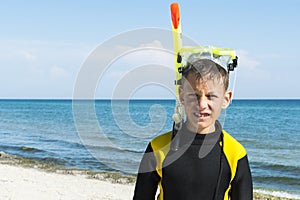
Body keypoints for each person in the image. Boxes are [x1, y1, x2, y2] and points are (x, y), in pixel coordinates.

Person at [133, 56, 253, 200]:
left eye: (211, 96)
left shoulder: (235, 153)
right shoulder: (157, 148)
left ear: (226, 99)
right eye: (194, 95)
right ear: (182, 96)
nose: (202, 104)